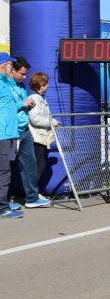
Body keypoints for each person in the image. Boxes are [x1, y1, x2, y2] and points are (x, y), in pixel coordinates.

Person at [10, 57, 50, 208]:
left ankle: (32, 199)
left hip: (25, 131)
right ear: (12, 70)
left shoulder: (21, 87)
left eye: (26, 74)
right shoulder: (5, 86)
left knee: (30, 166)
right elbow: (6, 108)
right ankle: (7, 201)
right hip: (12, 132)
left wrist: (26, 105)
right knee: (9, 168)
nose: (25, 77)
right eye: (22, 73)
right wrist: (24, 104)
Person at [0, 53, 24, 218]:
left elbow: (10, 107)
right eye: (10, 64)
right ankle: (2, 208)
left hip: (10, 133)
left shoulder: (6, 82)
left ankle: (5, 203)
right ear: (3, 65)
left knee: (5, 171)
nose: (12, 67)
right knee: (3, 171)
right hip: (1, 134)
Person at [27, 72, 60, 190]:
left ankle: (35, 193)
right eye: (45, 84)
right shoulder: (35, 98)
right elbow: (35, 119)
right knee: (38, 167)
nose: (47, 86)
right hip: (37, 138)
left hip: (41, 138)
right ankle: (33, 194)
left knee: (40, 166)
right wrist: (52, 122)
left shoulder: (40, 98)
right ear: (39, 84)